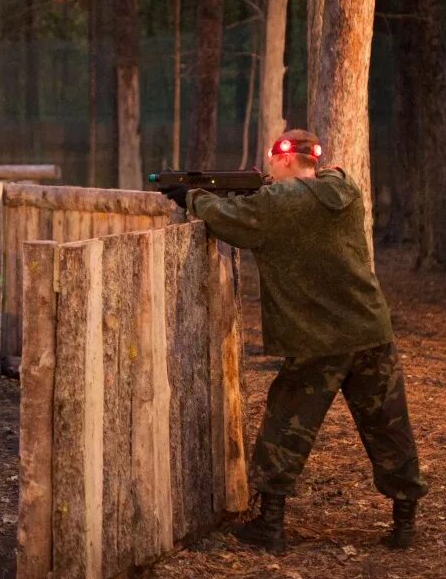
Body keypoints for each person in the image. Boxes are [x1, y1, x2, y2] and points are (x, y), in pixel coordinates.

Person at [162, 128, 427, 552]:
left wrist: (190, 196)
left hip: (318, 338)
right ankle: (405, 522)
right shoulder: (345, 191)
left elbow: (232, 221)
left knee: (285, 428)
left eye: (272, 159)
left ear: (283, 157)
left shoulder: (277, 205)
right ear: (315, 159)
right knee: (389, 425)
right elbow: (292, 200)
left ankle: (271, 526)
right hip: (369, 328)